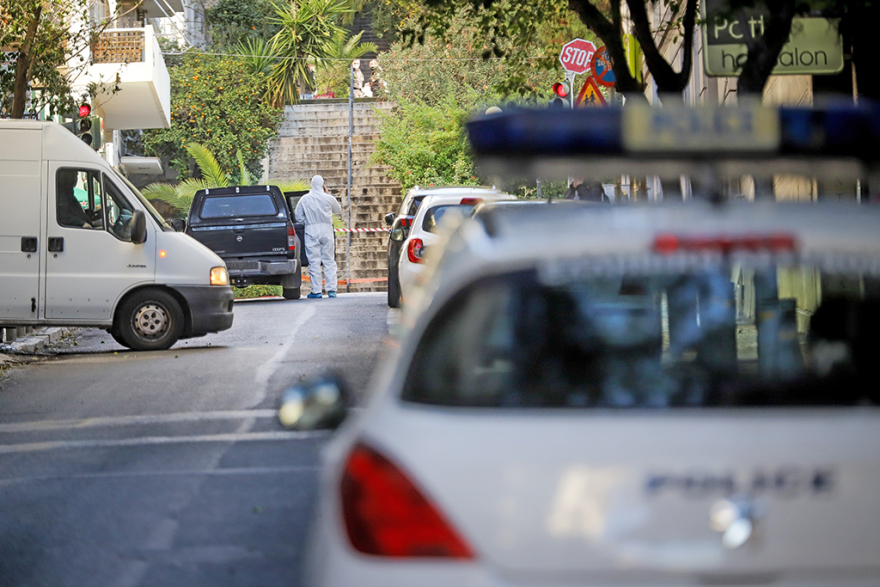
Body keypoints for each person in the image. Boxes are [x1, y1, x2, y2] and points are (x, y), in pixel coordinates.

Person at [295, 175, 342, 298]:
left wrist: (309, 222)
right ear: (323, 185)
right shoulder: (328, 198)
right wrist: (327, 194)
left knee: (314, 261)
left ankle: (316, 291)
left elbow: (298, 216)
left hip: (311, 230)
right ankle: (331, 289)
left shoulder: (304, 199)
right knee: (329, 260)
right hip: (326, 230)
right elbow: (337, 209)